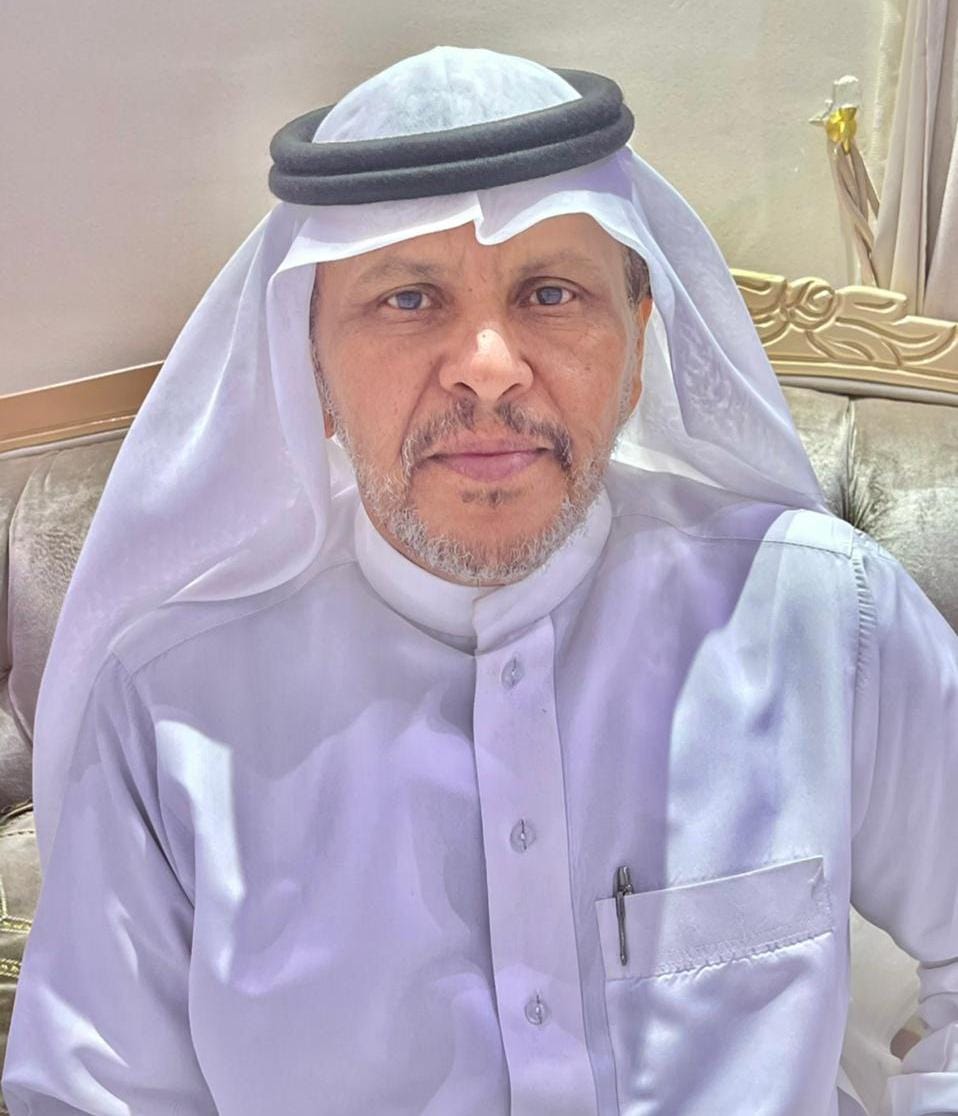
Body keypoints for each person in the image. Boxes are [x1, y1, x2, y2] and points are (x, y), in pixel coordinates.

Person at [2, 45, 956, 1116]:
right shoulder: (170, 712)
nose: (489, 367)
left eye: (551, 293)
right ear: (309, 362)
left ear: (637, 349)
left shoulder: (823, 617)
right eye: (409, 299)